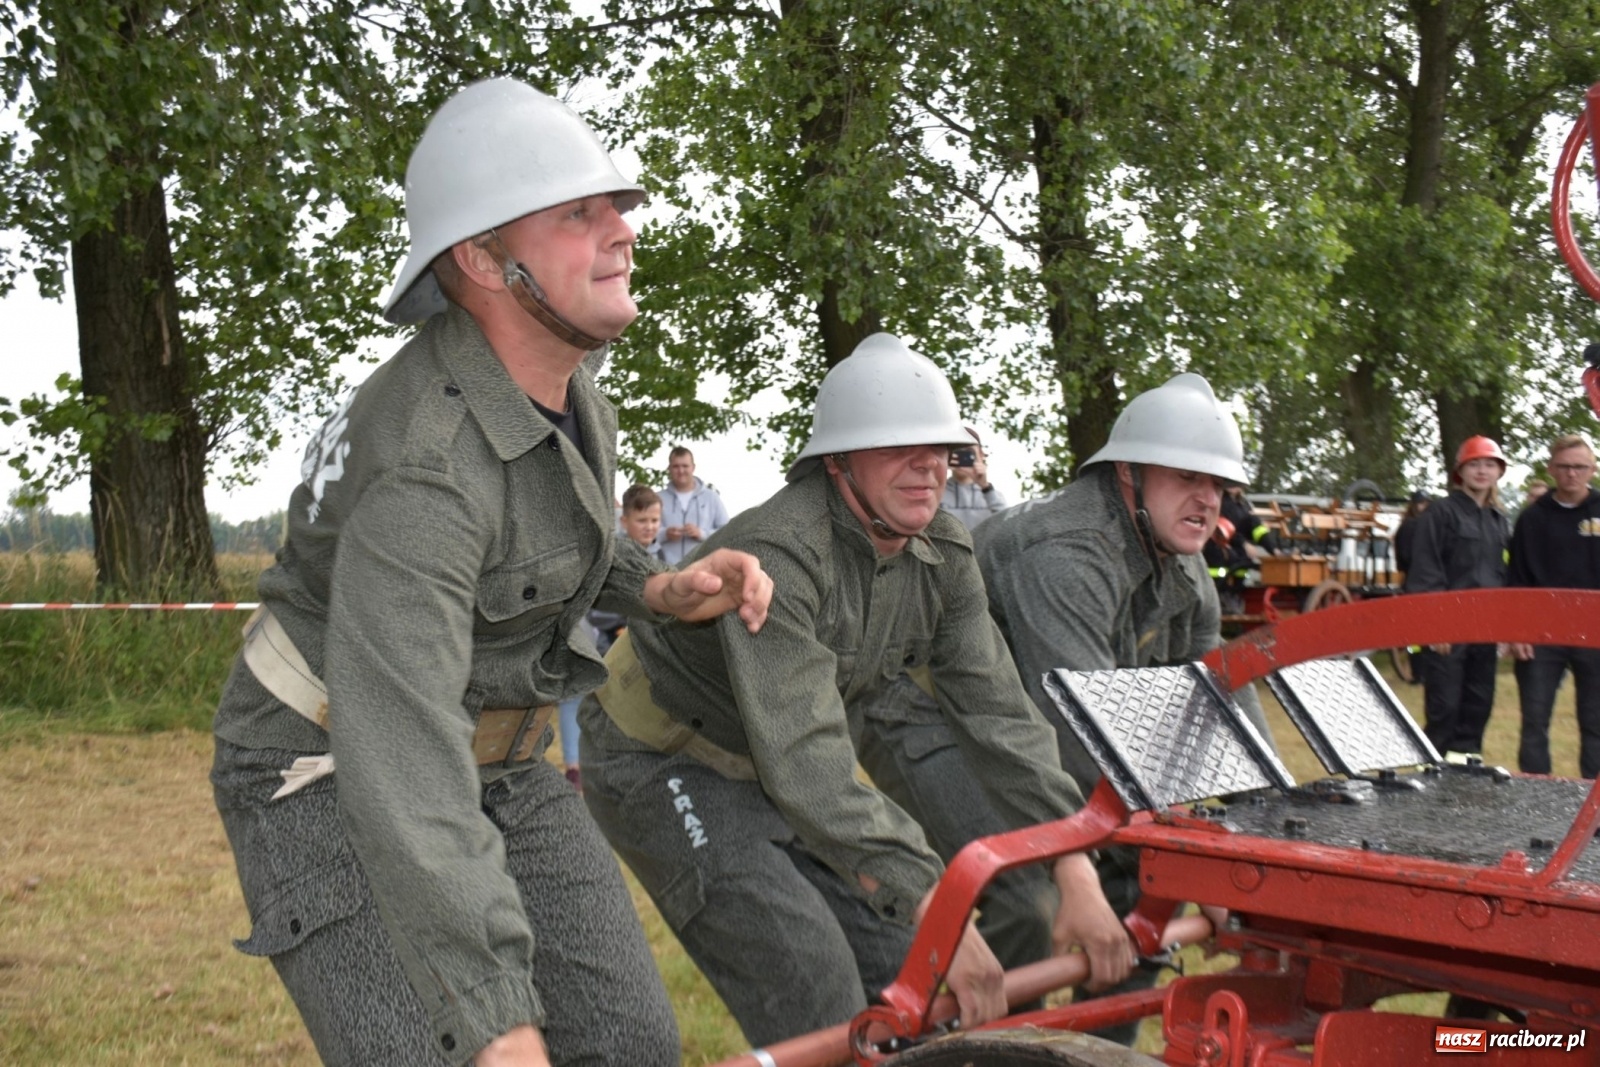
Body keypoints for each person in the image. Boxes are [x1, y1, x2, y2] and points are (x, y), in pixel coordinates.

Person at [210, 78, 773, 1067]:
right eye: (577, 214)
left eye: (617, 207)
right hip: (333, 761)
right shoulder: (425, 466)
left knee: (629, 1042)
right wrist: (488, 1013)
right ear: (481, 259)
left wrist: (652, 585)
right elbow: (399, 745)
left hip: (494, 750)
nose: (620, 232)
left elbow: (548, 526)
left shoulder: (566, 388)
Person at [578, 333, 1135, 1048]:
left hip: (777, 768)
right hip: (661, 758)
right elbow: (808, 758)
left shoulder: (942, 553)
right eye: (897, 444)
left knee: (903, 983)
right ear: (837, 458)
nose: (929, 466)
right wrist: (934, 898)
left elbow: (1001, 716)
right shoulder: (785, 553)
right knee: (818, 991)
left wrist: (1073, 861)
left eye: (941, 447)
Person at [972, 373, 1277, 1044]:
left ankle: (1090, 1054)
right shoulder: (1066, 554)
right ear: (1128, 473)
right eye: (1187, 476)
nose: (1208, 498)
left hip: (1048, 735)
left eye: (1219, 484)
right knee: (1027, 904)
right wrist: (1190, 849)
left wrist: (1259, 826)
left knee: (1141, 892)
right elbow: (1083, 733)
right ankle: (991, 1052)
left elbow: (1221, 694)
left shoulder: (1181, 558)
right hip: (951, 722)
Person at [1403, 435, 1511, 761]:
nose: (1481, 470)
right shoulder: (1441, 514)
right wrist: (1437, 627)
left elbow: (1504, 577)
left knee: (1478, 705)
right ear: (1460, 471)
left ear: (1498, 471)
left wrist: (1505, 628)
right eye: (1474, 464)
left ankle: (1466, 772)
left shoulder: (1499, 521)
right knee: (1444, 708)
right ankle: (1431, 774)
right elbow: (1425, 572)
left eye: (1489, 464)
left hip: (1486, 628)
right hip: (1448, 630)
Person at [557, 485, 665, 790]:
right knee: (576, 693)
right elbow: (593, 603)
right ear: (624, 521)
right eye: (642, 521)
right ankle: (574, 765)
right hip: (593, 631)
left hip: (631, 638)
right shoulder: (608, 554)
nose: (650, 527)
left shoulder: (659, 557)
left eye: (655, 521)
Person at [1507, 435, 1600, 777]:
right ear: (1551, 470)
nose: (1572, 474)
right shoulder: (1532, 519)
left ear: (1592, 469)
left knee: (1596, 725)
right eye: (1564, 467)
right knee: (1534, 722)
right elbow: (1516, 579)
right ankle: (1537, 803)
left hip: (1595, 633)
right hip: (1541, 636)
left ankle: (1594, 812)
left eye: (1580, 467)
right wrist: (1517, 631)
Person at [656, 445, 731, 563]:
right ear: (669, 468)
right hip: (666, 570)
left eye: (685, 466)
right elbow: (643, 533)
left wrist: (701, 534)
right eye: (676, 466)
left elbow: (727, 532)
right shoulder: (657, 499)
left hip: (703, 569)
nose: (681, 471)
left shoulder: (711, 498)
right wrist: (665, 534)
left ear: (693, 467)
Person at [941, 428, 1009, 530]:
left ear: (981, 454)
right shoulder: (937, 492)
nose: (962, 457)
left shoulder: (994, 496)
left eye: (968, 452)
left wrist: (985, 488)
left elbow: (1007, 523)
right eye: (956, 451)